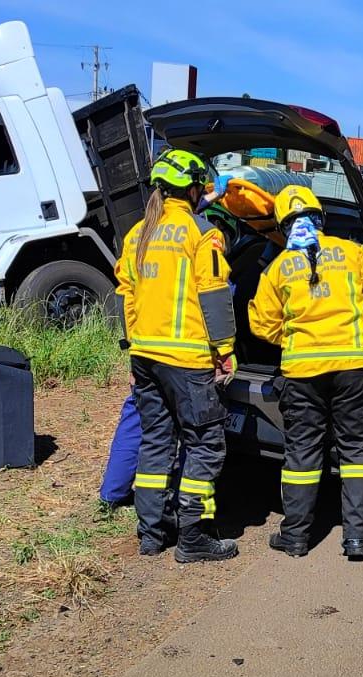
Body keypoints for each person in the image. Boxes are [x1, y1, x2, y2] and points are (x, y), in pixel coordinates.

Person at [249, 186, 363, 559]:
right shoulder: (352, 252)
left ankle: (296, 537)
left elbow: (261, 324)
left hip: (302, 374)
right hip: (354, 369)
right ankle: (358, 539)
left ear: (283, 228)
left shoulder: (278, 268)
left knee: (301, 456)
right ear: (321, 218)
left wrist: (293, 336)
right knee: (358, 454)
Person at [114, 148, 239, 563]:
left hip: (145, 354)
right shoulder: (201, 233)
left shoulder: (137, 235)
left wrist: (134, 347)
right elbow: (214, 292)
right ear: (190, 188)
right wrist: (225, 350)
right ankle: (193, 536)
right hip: (186, 358)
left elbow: (125, 297)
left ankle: (151, 534)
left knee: (155, 442)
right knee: (205, 444)